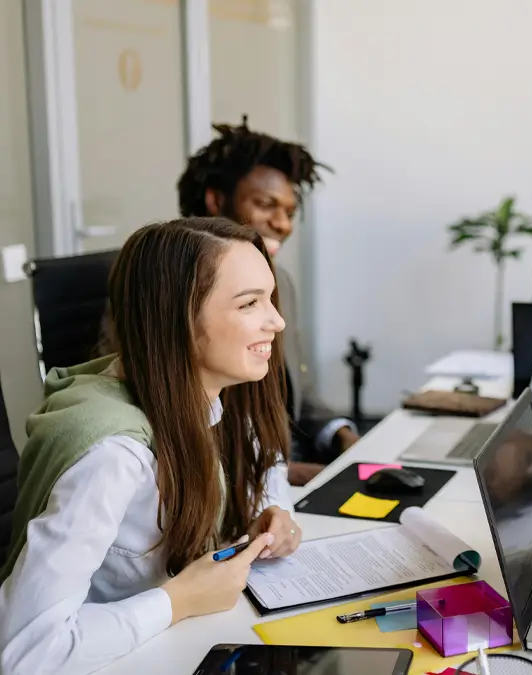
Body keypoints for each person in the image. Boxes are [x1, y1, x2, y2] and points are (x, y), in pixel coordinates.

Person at [0, 218, 303, 675]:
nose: (276, 321)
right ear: (177, 319)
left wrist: (274, 513)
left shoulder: (221, 391)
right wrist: (177, 601)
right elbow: (25, 650)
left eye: (270, 298)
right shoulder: (114, 456)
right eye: (249, 304)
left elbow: (266, 468)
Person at [177, 118, 360, 486]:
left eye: (290, 212)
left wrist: (346, 439)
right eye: (265, 205)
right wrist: (277, 474)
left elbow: (299, 391)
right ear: (216, 200)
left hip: (285, 476)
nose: (283, 224)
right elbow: (170, 420)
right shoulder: (168, 288)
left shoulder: (280, 281)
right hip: (227, 486)